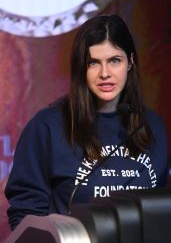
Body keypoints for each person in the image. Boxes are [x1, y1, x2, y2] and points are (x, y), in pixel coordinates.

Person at [5, 14, 169, 230]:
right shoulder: (47, 127)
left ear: (130, 62)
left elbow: (160, 214)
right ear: (81, 67)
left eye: (114, 61)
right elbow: (26, 219)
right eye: (93, 63)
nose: (105, 73)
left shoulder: (153, 126)